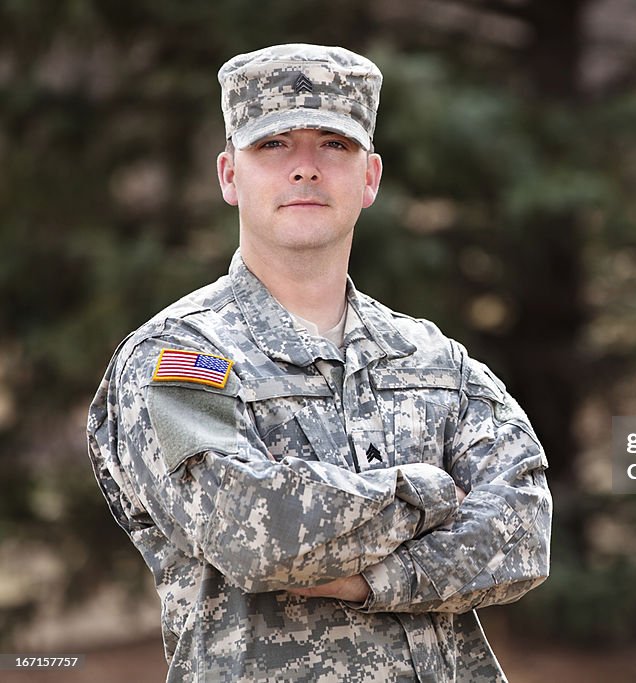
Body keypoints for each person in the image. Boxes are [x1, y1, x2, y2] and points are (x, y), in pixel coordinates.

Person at [86, 43, 552, 683]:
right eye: (273, 145)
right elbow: (249, 532)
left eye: (334, 144)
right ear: (229, 175)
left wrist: (372, 579)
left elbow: (524, 531)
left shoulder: (433, 359)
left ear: (371, 177)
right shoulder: (180, 356)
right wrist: (433, 494)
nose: (305, 168)